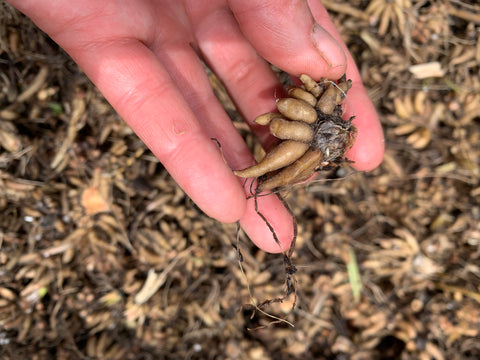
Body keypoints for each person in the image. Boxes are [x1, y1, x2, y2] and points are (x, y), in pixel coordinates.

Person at [6, 0, 384, 253]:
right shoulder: (303, 117)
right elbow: (280, 113)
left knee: (258, 176)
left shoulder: (306, 122)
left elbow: (281, 114)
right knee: (255, 175)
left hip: (309, 127)